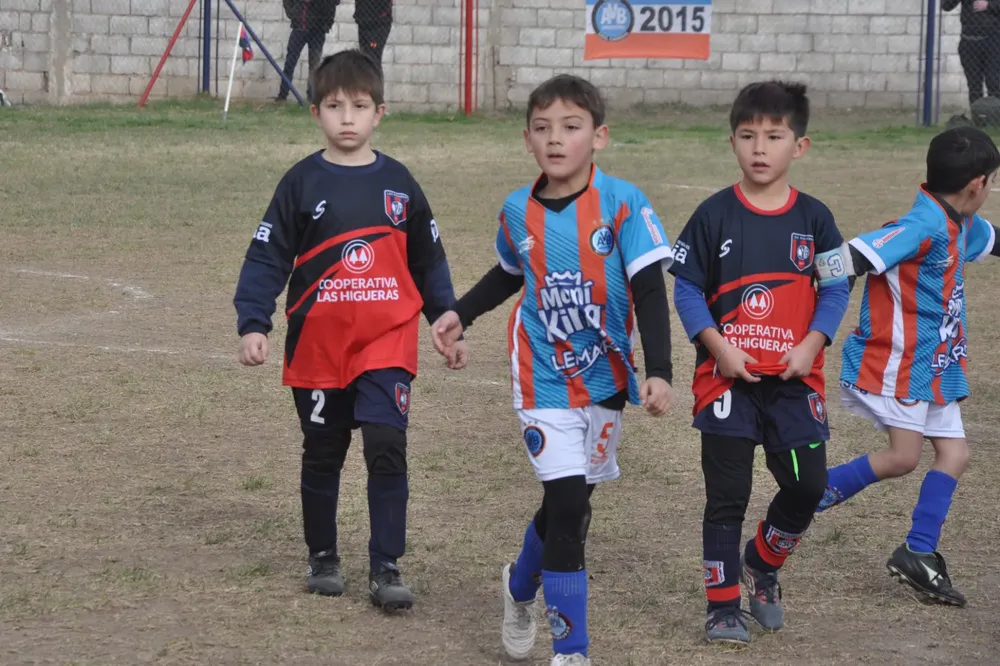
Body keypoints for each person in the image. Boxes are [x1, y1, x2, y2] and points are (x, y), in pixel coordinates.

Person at [431, 74, 676, 666]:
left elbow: (647, 290)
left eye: (571, 127)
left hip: (607, 379)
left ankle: (519, 586)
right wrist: (458, 314)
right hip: (541, 376)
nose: (556, 140)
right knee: (567, 506)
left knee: (573, 506)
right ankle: (573, 654)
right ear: (527, 139)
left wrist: (661, 370)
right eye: (542, 129)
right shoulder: (518, 210)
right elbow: (509, 274)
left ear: (599, 136)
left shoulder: (623, 203)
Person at [234, 49, 466, 612]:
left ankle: (387, 564)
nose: (346, 118)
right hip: (317, 346)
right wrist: (253, 322)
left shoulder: (399, 184)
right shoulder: (301, 182)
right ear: (315, 112)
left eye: (358, 107)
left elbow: (428, 260)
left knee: (387, 446)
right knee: (323, 451)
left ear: (379, 113)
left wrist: (445, 317)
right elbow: (268, 257)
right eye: (334, 106)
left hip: (387, 341)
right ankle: (323, 556)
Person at [668, 81, 851, 645]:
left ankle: (762, 563)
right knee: (727, 496)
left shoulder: (817, 219)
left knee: (807, 484)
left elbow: (837, 288)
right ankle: (722, 608)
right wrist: (719, 347)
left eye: (774, 136)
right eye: (748, 136)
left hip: (794, 382)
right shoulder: (713, 214)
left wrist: (812, 343)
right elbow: (688, 290)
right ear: (733, 142)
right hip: (726, 382)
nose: (760, 148)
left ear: (801, 146)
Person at [818, 126, 1000, 608]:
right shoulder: (923, 225)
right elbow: (853, 257)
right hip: (900, 364)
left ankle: (918, 552)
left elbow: (996, 240)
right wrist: (799, 272)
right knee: (902, 458)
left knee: (955, 455)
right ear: (978, 185)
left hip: (937, 367)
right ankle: (814, 492)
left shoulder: (961, 221)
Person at [278, 0, 339, 102]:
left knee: (314, 65)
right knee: (290, 62)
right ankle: (283, 94)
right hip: (299, 28)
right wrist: (294, 14)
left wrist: (326, 23)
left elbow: (333, 3)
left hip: (318, 30)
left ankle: (311, 96)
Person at [944, 0, 1000, 107]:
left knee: (994, 82)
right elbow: (946, 6)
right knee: (974, 84)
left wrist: (989, 5)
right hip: (969, 41)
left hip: (993, 40)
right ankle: (978, 117)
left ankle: (995, 117)